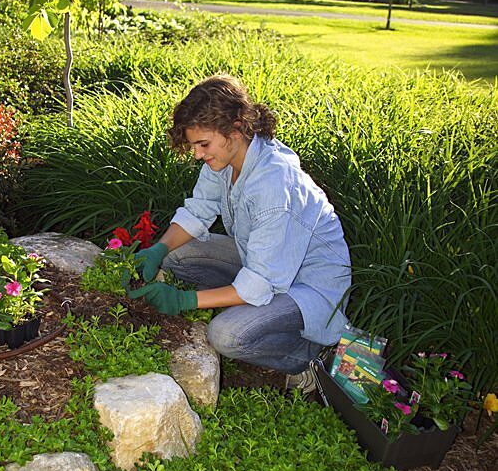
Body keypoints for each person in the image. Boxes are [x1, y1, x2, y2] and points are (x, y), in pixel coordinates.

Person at [128, 74, 351, 392]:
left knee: (227, 335)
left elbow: (260, 283)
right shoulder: (224, 159)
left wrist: (183, 301)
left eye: (202, 144)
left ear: (234, 128)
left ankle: (310, 357)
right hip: (264, 262)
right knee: (177, 253)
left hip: (308, 287)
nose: (197, 155)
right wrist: (158, 250)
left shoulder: (273, 184)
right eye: (194, 146)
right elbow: (197, 211)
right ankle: (251, 311)